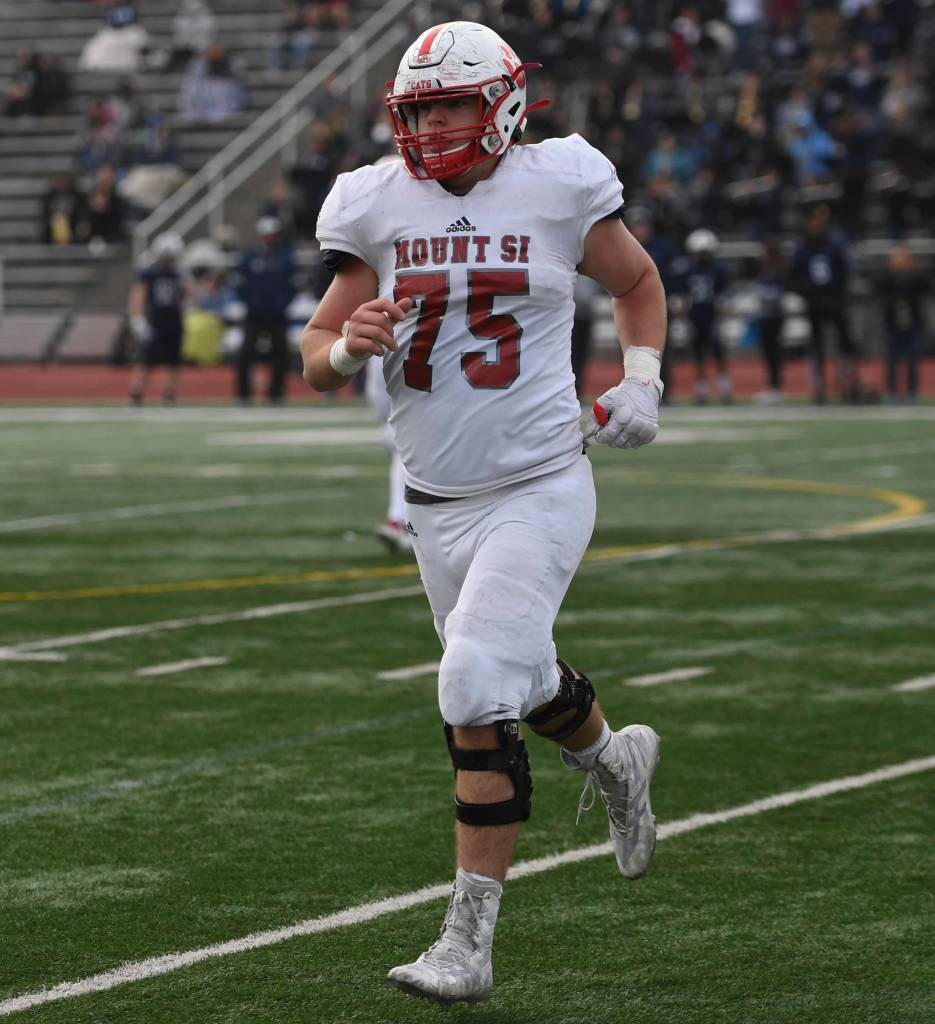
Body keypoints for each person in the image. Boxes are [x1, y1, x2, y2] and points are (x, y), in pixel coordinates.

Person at [300, 22, 665, 1007]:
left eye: (451, 106)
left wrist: (641, 380)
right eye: (417, 112)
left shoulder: (559, 183)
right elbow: (317, 346)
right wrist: (346, 348)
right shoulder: (375, 204)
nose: (432, 129)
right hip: (434, 504)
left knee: (469, 682)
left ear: (501, 104)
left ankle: (466, 942)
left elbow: (633, 281)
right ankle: (613, 757)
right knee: (518, 674)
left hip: (540, 481)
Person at [790, 203, 861, 403]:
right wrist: (806, 293)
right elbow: (794, 274)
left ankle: (850, 384)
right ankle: (819, 386)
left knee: (845, 343)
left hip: (835, 299)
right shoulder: (803, 245)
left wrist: (839, 292)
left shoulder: (834, 243)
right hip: (814, 301)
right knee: (817, 345)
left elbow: (846, 269)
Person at [235, 217, 296, 405]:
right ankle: (243, 394)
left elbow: (292, 285)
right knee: (246, 353)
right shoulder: (250, 257)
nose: (269, 238)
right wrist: (250, 303)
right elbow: (240, 284)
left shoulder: (284, 258)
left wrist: (282, 304)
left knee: (281, 354)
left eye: (272, 235)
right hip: (254, 314)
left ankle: (276, 394)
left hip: (277, 315)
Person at [673, 228, 732, 404]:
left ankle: (723, 387)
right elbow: (683, 295)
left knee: (717, 351)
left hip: (712, 314)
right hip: (696, 315)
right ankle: (704, 389)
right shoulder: (689, 270)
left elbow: (723, 294)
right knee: (699, 353)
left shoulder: (716, 270)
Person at [128, 232, 186, 406]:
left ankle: (169, 393)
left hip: (174, 321)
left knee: (174, 361)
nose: (168, 260)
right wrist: (137, 318)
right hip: (156, 322)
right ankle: (137, 391)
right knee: (146, 361)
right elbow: (138, 294)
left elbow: (189, 295)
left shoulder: (179, 274)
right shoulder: (150, 274)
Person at [877, 245, 925, 403]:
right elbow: (879, 294)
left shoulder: (916, 277)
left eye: (904, 257)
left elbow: (924, 290)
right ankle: (892, 392)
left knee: (913, 360)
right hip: (892, 323)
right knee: (891, 360)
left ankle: (912, 392)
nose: (901, 261)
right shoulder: (886, 278)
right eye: (898, 257)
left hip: (913, 324)